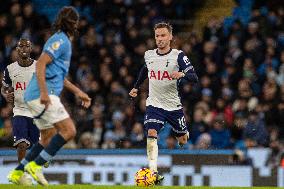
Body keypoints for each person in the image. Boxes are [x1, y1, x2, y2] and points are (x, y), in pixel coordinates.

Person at [7, 6, 91, 186]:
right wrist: (44, 93)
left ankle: (17, 173)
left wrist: (79, 92)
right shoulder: (61, 40)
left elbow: (59, 76)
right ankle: (36, 166)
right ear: (74, 23)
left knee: (46, 137)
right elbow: (40, 64)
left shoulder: (61, 41)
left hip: (36, 95)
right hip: (42, 95)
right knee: (69, 131)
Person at [129, 22, 198, 184]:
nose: (159, 39)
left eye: (163, 35)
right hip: (154, 104)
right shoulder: (149, 55)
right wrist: (136, 87)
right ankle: (153, 173)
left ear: (170, 37)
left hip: (174, 106)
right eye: (157, 36)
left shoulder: (179, 56)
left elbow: (194, 77)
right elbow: (144, 70)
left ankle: (183, 133)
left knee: (182, 140)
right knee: (151, 132)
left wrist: (181, 74)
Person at [1, 38, 40, 183]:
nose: (24, 48)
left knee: (38, 147)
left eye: (27, 46)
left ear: (31, 49)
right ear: (16, 49)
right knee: (21, 144)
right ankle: (20, 174)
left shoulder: (38, 67)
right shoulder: (10, 69)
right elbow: (4, 88)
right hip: (20, 111)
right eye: (21, 46)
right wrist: (6, 95)